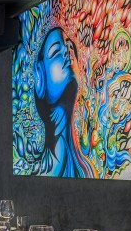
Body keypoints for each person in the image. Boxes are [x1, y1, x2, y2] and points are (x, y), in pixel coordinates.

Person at [32, 27, 89, 178]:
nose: (67, 52)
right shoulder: (42, 173)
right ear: (39, 77)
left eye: (71, 47)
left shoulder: (88, 170)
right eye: (56, 52)